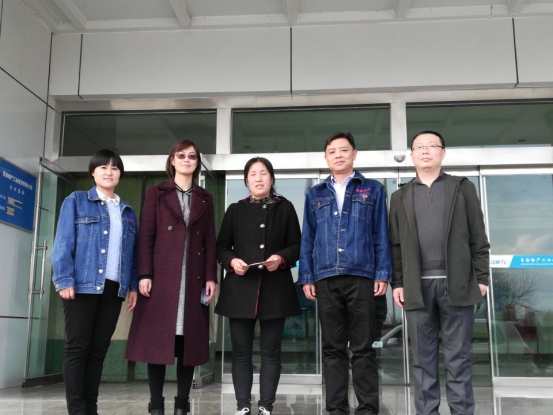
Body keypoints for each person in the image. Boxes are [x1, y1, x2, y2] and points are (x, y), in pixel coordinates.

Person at [389, 131, 490, 415]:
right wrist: (398, 282)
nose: (425, 151)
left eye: (431, 146)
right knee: (422, 360)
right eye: (419, 147)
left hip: (457, 285)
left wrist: (482, 278)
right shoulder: (399, 196)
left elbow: (478, 237)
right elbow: (395, 245)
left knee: (459, 358)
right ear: (412, 155)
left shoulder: (462, 188)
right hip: (416, 288)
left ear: (442, 152)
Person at [299, 132, 392, 415]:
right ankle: (336, 408)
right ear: (326, 157)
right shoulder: (315, 194)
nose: (338, 155)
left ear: (354, 153)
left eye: (343, 150)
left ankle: (367, 408)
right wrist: (307, 276)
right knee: (333, 347)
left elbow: (381, 234)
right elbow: (308, 239)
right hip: (325, 277)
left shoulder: (373, 189)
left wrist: (382, 273)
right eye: (332, 151)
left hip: (362, 276)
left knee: (363, 347)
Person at [125, 140, 217, 415]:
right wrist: (144, 274)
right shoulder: (157, 192)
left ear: (197, 163)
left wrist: (210, 276)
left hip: (193, 278)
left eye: (192, 156)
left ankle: (182, 404)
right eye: (182, 155)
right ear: (172, 160)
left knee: (188, 343)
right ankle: (156, 404)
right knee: (157, 342)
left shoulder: (205, 197)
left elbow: (209, 240)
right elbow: (146, 237)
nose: (187, 160)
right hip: (162, 278)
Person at [51, 149, 138, 415]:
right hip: (81, 285)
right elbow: (62, 243)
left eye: (114, 168)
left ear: (120, 174)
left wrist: (132, 286)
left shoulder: (127, 211)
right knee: (78, 347)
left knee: (99, 350)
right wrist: (64, 279)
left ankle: (91, 408)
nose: (109, 172)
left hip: (113, 289)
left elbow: (133, 254)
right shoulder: (76, 200)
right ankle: (78, 410)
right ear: (93, 172)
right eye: (103, 167)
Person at [216, 157, 302, 415]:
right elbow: (221, 247)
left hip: (275, 290)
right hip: (239, 291)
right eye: (253, 174)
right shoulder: (235, 209)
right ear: (246, 180)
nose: (258, 178)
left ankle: (266, 406)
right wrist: (232, 262)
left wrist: (282, 258)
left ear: (271, 178)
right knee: (241, 353)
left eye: (263, 173)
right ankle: (243, 405)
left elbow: (296, 245)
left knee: (271, 352)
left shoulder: (285, 208)